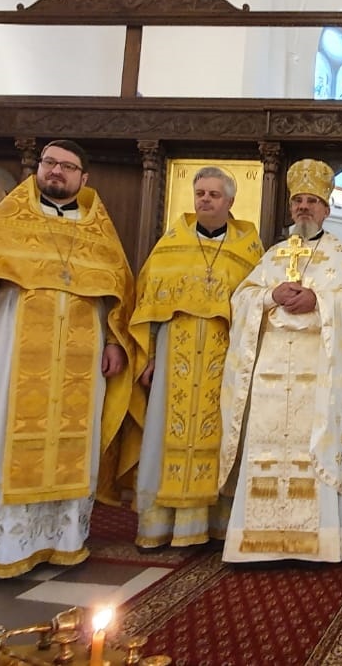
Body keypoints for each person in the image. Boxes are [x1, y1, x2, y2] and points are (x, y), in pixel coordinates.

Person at [0, 139, 135, 580]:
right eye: (50, 163)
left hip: (80, 361)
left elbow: (116, 294)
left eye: (67, 166)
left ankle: (61, 541)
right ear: (38, 169)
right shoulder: (5, 220)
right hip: (10, 355)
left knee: (73, 445)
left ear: (83, 178)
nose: (57, 172)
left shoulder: (99, 231)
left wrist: (113, 340)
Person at [217, 159, 342, 563]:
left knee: (310, 452)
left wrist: (319, 301)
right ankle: (256, 545)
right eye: (298, 201)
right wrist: (270, 296)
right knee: (265, 448)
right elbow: (241, 299)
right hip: (270, 375)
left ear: (327, 208)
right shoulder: (273, 255)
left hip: (318, 374)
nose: (304, 207)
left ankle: (317, 545)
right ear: (291, 207)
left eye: (312, 201)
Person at [130, 167, 264, 548]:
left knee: (221, 434)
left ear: (230, 201)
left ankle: (212, 525)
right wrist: (149, 356)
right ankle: (160, 526)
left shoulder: (249, 249)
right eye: (200, 193)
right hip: (174, 355)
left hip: (225, 359)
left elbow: (257, 306)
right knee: (163, 433)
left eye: (214, 194)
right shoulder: (170, 244)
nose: (205, 199)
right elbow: (149, 304)